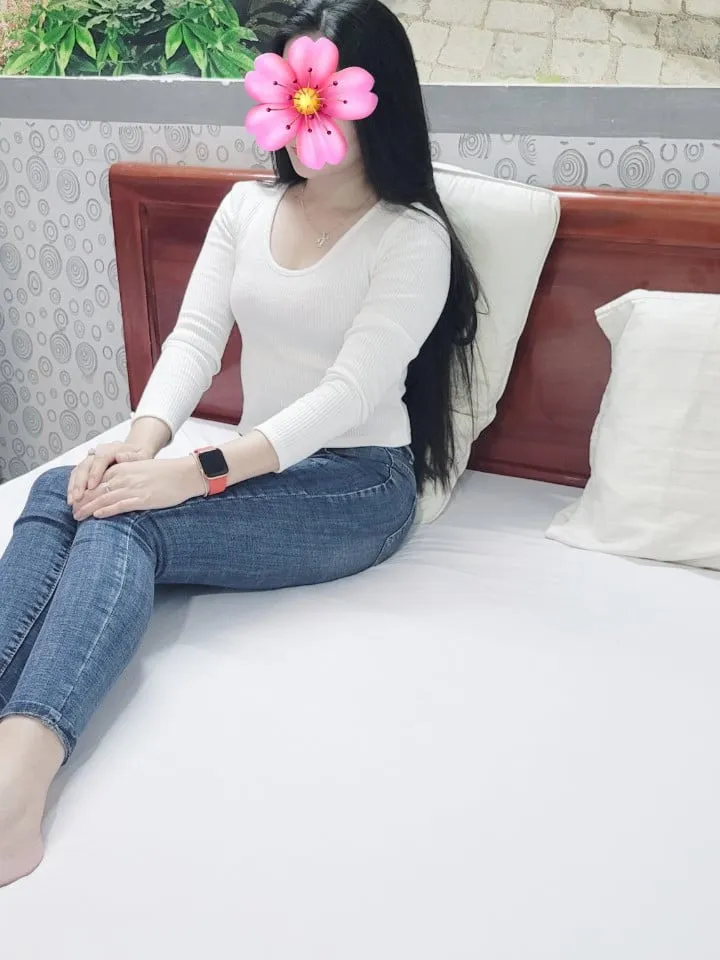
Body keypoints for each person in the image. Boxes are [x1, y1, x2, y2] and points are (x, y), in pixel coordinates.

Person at [0, 0, 479, 887]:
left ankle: (16, 792)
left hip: (356, 484)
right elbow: (193, 341)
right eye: (291, 88)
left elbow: (347, 396)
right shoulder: (245, 207)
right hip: (252, 462)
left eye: (323, 91)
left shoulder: (413, 239)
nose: (305, 112)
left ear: (374, 98)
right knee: (64, 491)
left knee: (129, 521)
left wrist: (193, 473)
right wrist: (140, 445)